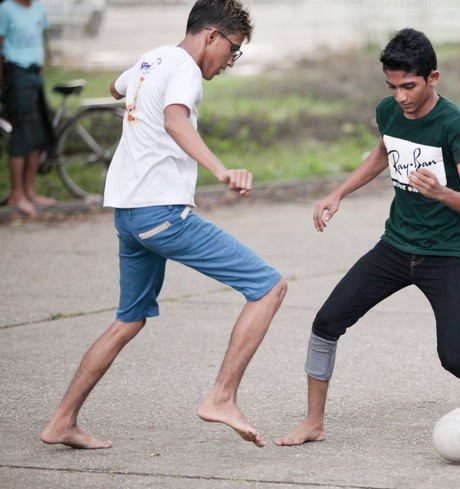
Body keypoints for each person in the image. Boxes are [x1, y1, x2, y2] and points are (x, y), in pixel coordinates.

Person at [40, 0, 287, 450]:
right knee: (269, 287)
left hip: (129, 216)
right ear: (211, 35)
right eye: (232, 50)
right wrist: (221, 169)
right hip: (161, 214)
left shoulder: (154, 57)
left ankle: (61, 422)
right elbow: (175, 119)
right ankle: (222, 397)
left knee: (128, 320)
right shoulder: (186, 70)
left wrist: (143, 84)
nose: (231, 62)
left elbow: (117, 90)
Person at [275, 28, 460, 447]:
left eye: (409, 86)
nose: (401, 96)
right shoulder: (388, 111)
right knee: (326, 322)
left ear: (432, 78)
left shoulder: (454, 124)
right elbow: (383, 152)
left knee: (453, 358)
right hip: (395, 246)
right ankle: (313, 422)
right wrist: (338, 192)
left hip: (445, 254)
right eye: (392, 86)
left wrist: (441, 192)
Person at [0, 0, 57, 218]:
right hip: (16, 76)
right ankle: (17, 194)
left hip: (35, 76)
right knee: (22, 135)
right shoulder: (6, 9)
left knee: (38, 135)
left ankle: (30, 192)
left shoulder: (38, 9)